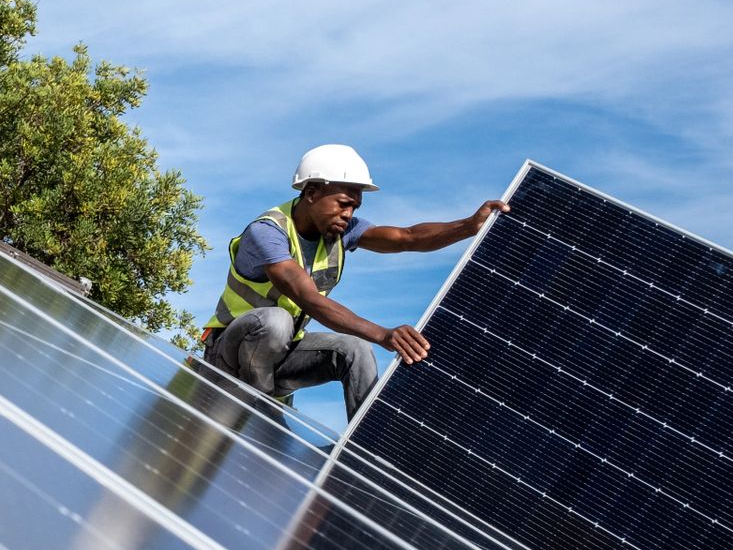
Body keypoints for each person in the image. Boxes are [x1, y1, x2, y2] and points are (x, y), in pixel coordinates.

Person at [202, 144, 509, 420]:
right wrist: (383, 334)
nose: (348, 214)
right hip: (229, 356)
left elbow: (407, 237)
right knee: (277, 320)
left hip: (278, 356)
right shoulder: (267, 232)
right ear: (311, 193)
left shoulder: (338, 232)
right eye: (343, 203)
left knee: (357, 350)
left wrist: (468, 226)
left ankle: (364, 451)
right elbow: (307, 297)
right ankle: (261, 413)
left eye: (354, 208)